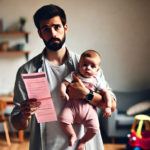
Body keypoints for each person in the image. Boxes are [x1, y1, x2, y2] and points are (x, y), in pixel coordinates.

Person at [11, 4, 116, 150]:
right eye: (46, 29)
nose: (53, 34)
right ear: (40, 34)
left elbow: (112, 105)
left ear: (65, 28)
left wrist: (87, 94)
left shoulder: (87, 65)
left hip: (83, 147)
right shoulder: (27, 71)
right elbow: (17, 124)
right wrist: (23, 115)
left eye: (57, 27)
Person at [59, 50, 112, 150]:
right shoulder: (74, 75)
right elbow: (63, 84)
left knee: (94, 129)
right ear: (79, 65)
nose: (88, 68)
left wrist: (108, 107)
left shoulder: (96, 80)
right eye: (84, 65)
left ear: (97, 70)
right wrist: (63, 92)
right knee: (63, 119)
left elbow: (106, 93)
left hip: (89, 111)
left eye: (92, 66)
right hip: (72, 107)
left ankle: (83, 141)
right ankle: (72, 135)